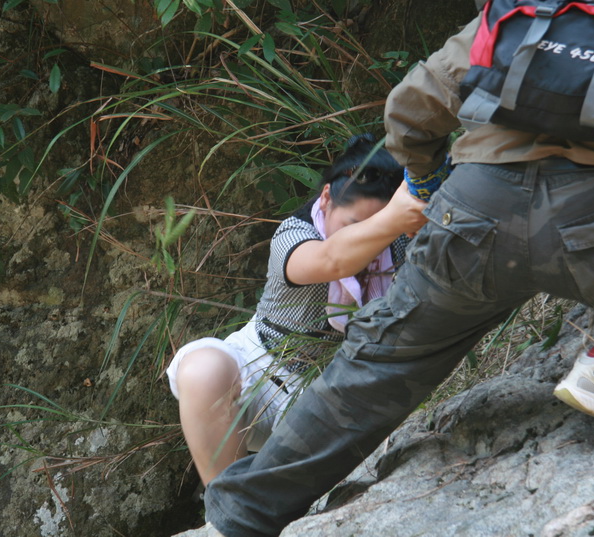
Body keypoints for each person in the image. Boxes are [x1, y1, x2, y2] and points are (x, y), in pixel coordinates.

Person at [201, 8, 594, 537]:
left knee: (376, 364)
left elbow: (411, 107)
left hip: (471, 219)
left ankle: (238, 519)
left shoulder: (527, 14)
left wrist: (428, 181)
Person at [165, 134, 428, 486]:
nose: (368, 239)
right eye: (355, 225)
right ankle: (227, 508)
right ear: (326, 198)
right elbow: (332, 260)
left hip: (334, 389)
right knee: (203, 370)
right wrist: (393, 220)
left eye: (377, 226)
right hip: (258, 373)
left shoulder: (398, 241)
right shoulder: (295, 233)